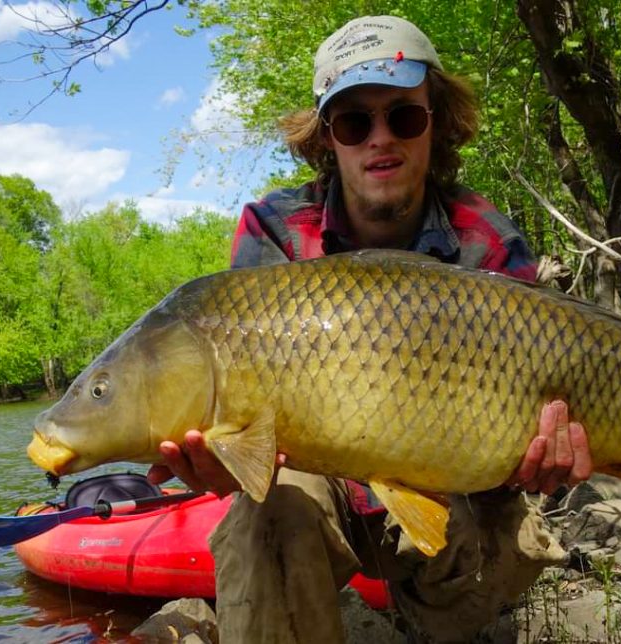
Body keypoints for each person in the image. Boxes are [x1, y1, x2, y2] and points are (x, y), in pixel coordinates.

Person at [147, 15, 593, 643]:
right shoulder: (275, 231)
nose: (381, 139)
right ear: (327, 139)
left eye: (404, 117)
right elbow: (246, 421)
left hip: (456, 486)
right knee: (270, 508)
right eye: (355, 122)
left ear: (437, 123)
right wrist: (225, 457)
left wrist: (542, 458)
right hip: (323, 497)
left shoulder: (485, 238)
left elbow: (535, 427)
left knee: (492, 529)